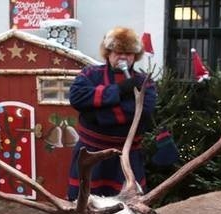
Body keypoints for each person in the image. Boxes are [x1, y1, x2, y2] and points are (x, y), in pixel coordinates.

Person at [67, 26, 157, 200]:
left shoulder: (143, 81)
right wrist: (118, 90)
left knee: (128, 206)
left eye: (129, 53)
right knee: (85, 203)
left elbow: (143, 110)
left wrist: (97, 115)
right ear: (108, 53)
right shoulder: (90, 74)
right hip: (91, 154)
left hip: (127, 157)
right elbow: (77, 97)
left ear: (135, 56)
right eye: (117, 52)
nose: (123, 57)